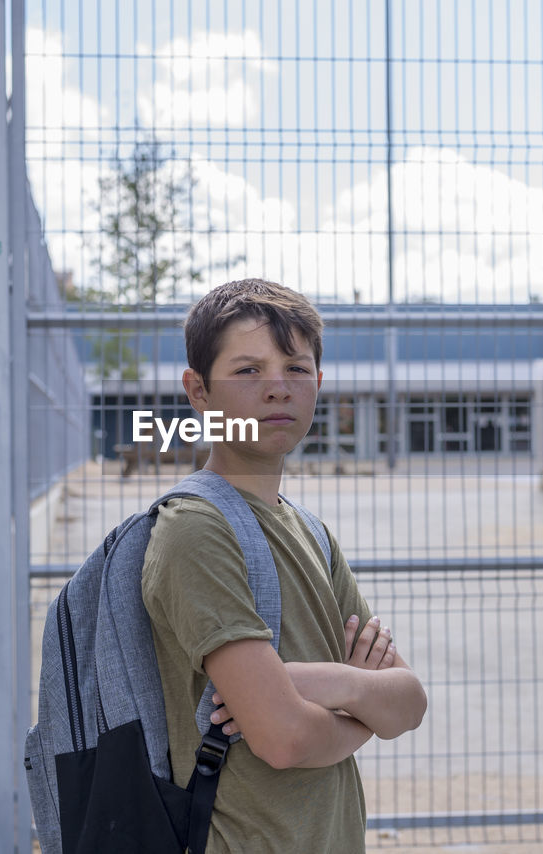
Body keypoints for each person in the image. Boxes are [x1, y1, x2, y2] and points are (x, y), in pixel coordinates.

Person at [141, 278, 428, 853]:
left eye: (296, 369)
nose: (277, 388)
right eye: (248, 371)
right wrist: (358, 704)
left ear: (318, 385)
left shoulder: (311, 533)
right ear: (197, 391)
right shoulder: (196, 530)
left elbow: (407, 704)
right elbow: (282, 738)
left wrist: (320, 682)